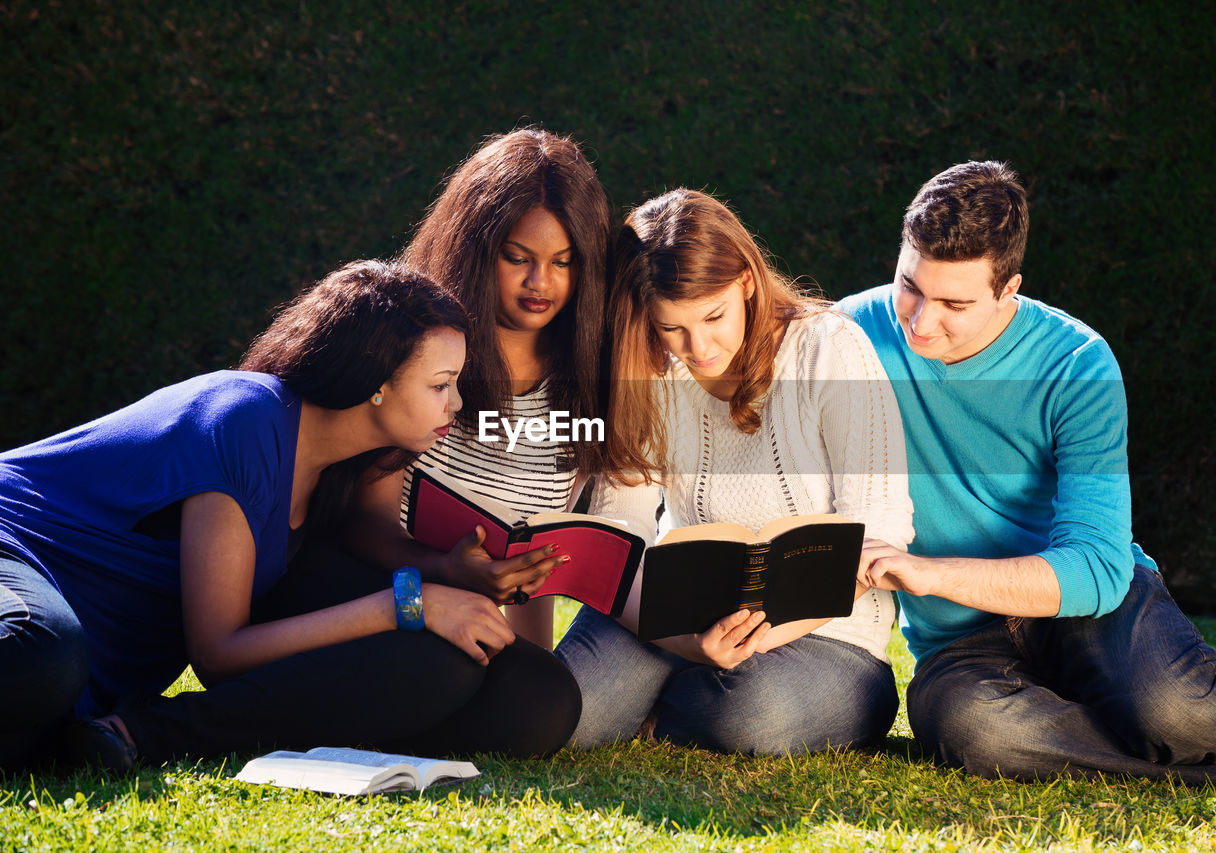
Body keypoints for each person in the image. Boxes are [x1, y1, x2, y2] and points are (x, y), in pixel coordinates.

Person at [0, 260, 580, 772]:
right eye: (441, 384)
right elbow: (219, 653)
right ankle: (145, 735)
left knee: (534, 696)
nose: (455, 404)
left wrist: (445, 585)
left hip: (91, 666)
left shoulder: (348, 466)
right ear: (375, 383)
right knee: (42, 650)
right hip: (18, 557)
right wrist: (409, 602)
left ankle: (94, 735)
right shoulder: (245, 421)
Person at [839, 160, 1216, 785]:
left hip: (1087, 613)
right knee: (978, 733)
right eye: (909, 285)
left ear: (1008, 288)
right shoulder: (846, 335)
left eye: (955, 303)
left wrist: (930, 574)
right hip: (963, 648)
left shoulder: (1077, 362)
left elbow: (1098, 571)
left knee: (1189, 716)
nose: (919, 320)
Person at [554, 188, 914, 755]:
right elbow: (617, 539)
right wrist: (691, 643)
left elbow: (880, 532)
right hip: (681, 620)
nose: (697, 348)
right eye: (671, 327)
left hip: (828, 636)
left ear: (747, 280)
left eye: (714, 316)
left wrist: (753, 637)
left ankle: (671, 706)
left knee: (753, 717)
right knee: (565, 715)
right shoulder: (646, 371)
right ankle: (679, 694)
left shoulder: (828, 347)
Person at [346, 128, 612, 650]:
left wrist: (534, 662)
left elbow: (534, 575)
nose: (541, 283)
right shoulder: (421, 344)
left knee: (544, 704)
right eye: (518, 258)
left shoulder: (584, 378)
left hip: (483, 619)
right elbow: (361, 523)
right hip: (392, 596)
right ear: (476, 250)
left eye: (563, 262)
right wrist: (446, 568)